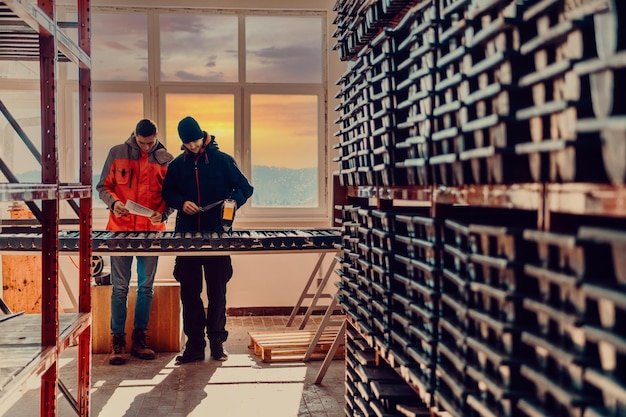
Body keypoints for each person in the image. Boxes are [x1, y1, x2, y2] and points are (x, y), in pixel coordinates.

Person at [162, 116, 253, 363]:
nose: (193, 146)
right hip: (186, 237)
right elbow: (167, 193)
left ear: (203, 136)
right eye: (188, 143)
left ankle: (216, 343)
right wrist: (182, 203)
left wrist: (232, 202)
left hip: (218, 237)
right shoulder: (177, 166)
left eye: (195, 141)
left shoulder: (223, 161)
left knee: (217, 292)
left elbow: (245, 187)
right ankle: (193, 346)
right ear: (182, 143)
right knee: (189, 293)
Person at [96, 118, 174, 365]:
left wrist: (163, 213)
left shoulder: (166, 159)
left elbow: (172, 196)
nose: (147, 147)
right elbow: (103, 187)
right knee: (119, 288)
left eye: (150, 142)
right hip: (120, 232)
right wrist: (115, 203)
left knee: (145, 287)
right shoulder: (117, 153)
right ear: (135, 136)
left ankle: (140, 340)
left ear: (157, 136)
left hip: (151, 233)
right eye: (142, 142)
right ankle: (117, 341)